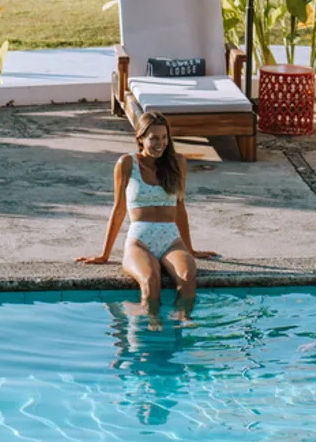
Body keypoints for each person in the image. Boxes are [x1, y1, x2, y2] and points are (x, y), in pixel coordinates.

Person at [77, 110, 215, 307]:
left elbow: (180, 207)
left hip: (171, 241)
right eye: (154, 138)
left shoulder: (177, 163)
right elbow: (119, 209)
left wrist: (190, 249)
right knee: (150, 281)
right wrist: (104, 255)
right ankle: (151, 323)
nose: (161, 143)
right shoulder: (127, 163)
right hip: (139, 242)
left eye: (164, 137)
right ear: (140, 138)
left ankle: (183, 322)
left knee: (187, 277)